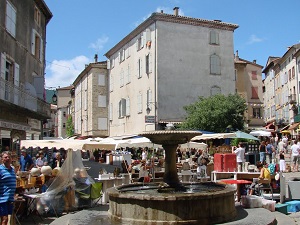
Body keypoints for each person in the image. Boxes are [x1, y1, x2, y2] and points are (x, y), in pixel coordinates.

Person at [0, 152, 16, 225]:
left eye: (9, 157)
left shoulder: (12, 169)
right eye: (5, 157)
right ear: (2, 159)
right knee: (4, 219)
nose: (7, 159)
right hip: (2, 198)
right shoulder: (0, 169)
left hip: (10, 198)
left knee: (6, 219)